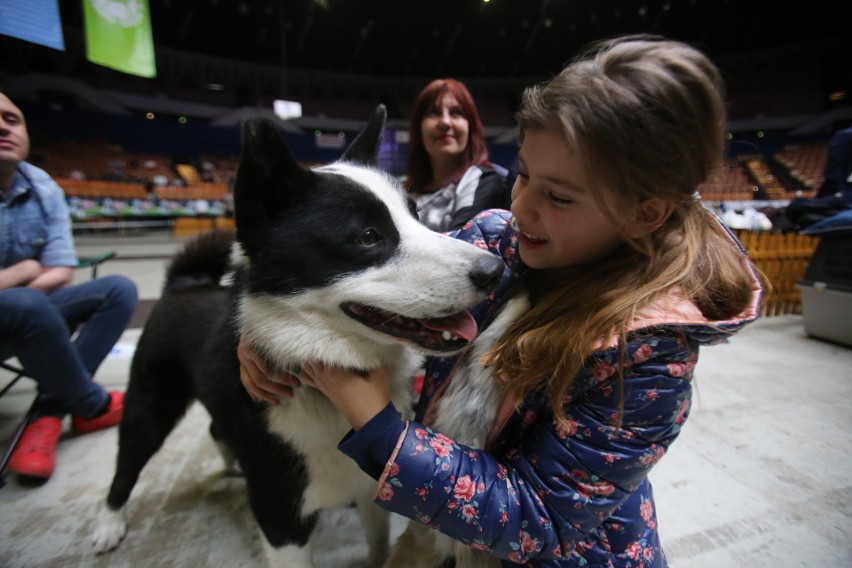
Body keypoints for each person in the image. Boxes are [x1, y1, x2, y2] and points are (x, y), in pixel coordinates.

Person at [238, 35, 763, 566]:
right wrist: (272, 338)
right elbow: (368, 294)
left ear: (645, 213)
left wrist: (381, 427)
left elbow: (544, 521)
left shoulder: (651, 360)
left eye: (558, 196)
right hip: (439, 535)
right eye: (524, 176)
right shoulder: (498, 236)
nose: (523, 207)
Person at [0, 92, 138, 480]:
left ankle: (48, 412)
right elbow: (41, 276)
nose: (2, 127)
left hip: (32, 315)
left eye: (12, 119)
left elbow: (61, 271)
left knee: (119, 289)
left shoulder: (43, 186)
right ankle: (90, 404)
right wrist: (22, 271)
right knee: (27, 302)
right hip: (28, 310)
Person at [405, 78, 508, 232]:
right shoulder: (404, 190)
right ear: (419, 129)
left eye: (456, 112)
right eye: (433, 113)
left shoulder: (483, 180)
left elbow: (462, 245)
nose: (445, 122)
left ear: (471, 127)